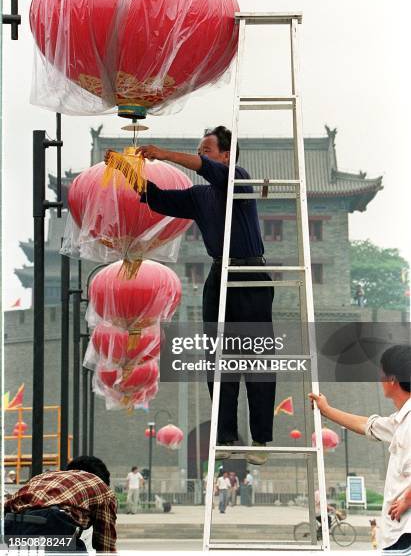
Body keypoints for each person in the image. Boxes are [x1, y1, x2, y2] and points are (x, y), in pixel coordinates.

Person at [105, 126, 276, 465]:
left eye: (207, 150)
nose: (201, 156)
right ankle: (227, 436)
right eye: (200, 150)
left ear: (226, 156)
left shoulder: (238, 179)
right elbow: (158, 198)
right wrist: (125, 170)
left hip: (250, 277)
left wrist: (165, 153)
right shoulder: (200, 197)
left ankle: (260, 440)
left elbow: (206, 169)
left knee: (255, 361)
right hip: (218, 277)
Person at [309, 345, 411, 552]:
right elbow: (368, 425)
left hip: (406, 534)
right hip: (397, 533)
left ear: (392, 379)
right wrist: (327, 410)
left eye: (382, 374)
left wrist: (407, 500)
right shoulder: (401, 421)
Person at [4, 455, 117, 553]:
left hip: (12, 524)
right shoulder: (101, 487)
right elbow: (105, 544)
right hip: (51, 525)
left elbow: (9, 505)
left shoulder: (43, 476)